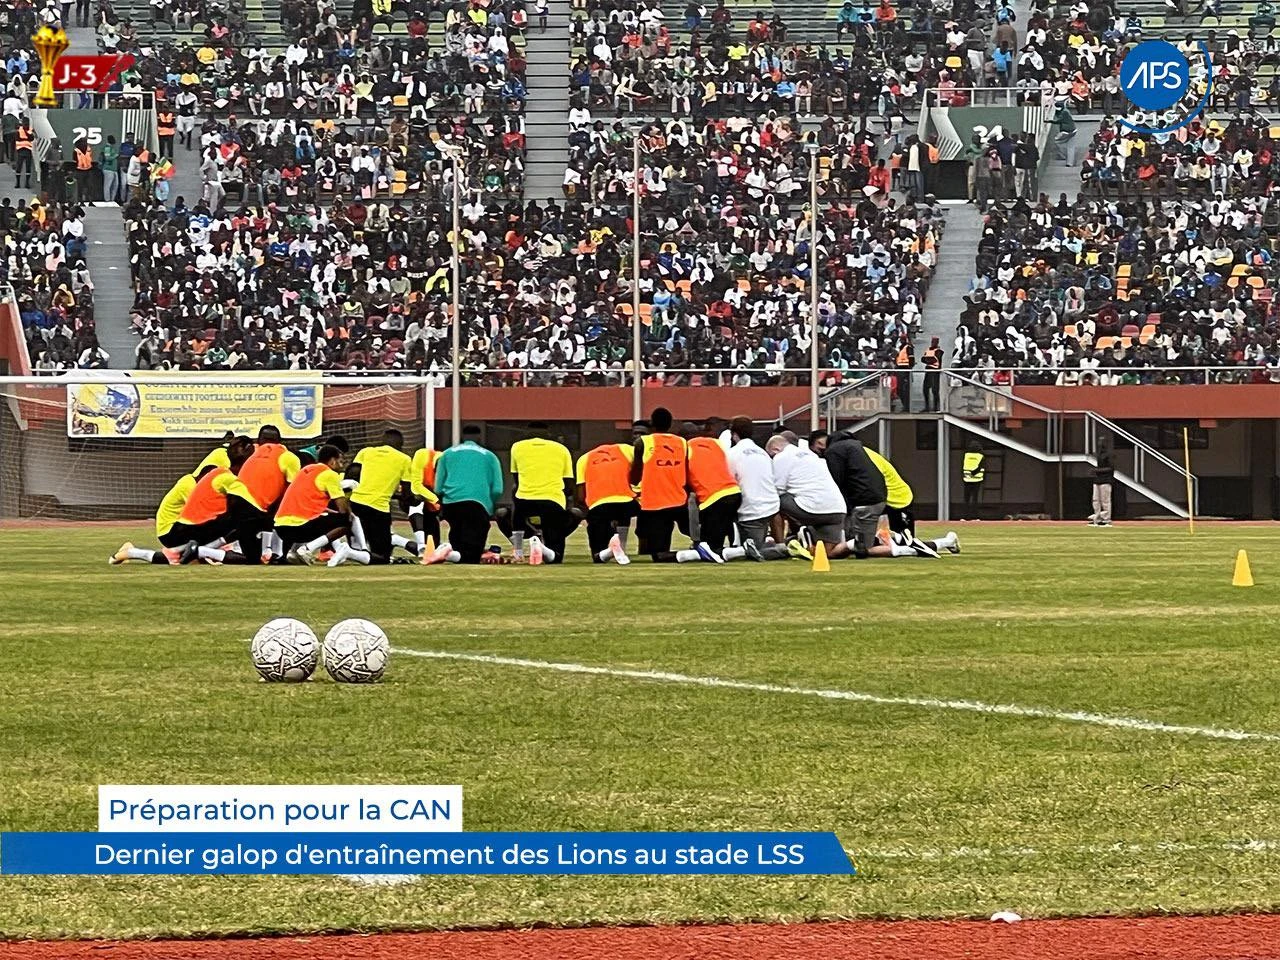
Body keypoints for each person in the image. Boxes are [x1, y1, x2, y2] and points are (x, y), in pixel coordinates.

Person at [628, 407, 719, 563]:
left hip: (654, 504)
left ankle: (695, 554)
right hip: (679, 500)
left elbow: (636, 476)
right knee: (691, 531)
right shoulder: (682, 443)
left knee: (658, 552)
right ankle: (707, 547)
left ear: (652, 424)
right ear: (670, 425)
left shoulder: (643, 442)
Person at [334, 429, 416, 566]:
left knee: (361, 544)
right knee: (382, 555)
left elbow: (351, 475)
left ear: (382, 441)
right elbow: (407, 495)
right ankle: (348, 552)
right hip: (378, 509)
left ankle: (350, 551)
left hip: (356, 504)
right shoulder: (404, 460)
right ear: (401, 445)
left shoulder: (365, 452)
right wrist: (416, 501)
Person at [223, 425, 302, 563]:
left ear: (259, 441)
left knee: (251, 555)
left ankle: (207, 551)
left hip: (233, 498)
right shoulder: (288, 457)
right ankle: (277, 554)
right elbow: (292, 491)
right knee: (281, 517)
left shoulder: (253, 452)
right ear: (280, 441)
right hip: (254, 506)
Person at [865, 447, 960, 557]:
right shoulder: (860, 453)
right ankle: (947, 541)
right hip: (883, 499)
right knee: (891, 544)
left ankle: (947, 542)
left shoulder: (860, 456)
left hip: (897, 500)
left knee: (907, 546)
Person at [429, 425, 504, 564]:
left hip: (451, 504)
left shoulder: (447, 454)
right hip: (478, 503)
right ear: (479, 437)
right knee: (473, 550)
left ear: (463, 437)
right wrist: (490, 504)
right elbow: (497, 489)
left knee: (458, 532)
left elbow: (438, 487)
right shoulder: (490, 456)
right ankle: (448, 554)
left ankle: (451, 552)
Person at [504, 422, 573, 563]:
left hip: (524, 501)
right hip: (553, 501)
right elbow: (568, 484)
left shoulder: (517, 448)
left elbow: (516, 479)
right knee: (556, 556)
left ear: (527, 432)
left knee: (517, 501)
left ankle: (518, 552)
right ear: (548, 434)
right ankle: (542, 546)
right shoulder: (562, 449)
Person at [723, 416, 790, 561]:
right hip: (772, 507)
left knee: (753, 551)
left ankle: (784, 550)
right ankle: (780, 546)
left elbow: (728, 483)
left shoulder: (731, 454)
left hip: (751, 511)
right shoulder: (762, 453)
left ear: (734, 434)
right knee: (756, 547)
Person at [275, 445, 352, 564]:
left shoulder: (306, 470)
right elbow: (343, 510)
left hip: (280, 528)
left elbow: (306, 502)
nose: (342, 466)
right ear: (332, 461)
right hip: (298, 528)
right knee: (345, 521)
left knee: (316, 518)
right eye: (340, 462)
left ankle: (292, 553)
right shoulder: (330, 474)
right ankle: (307, 549)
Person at [683, 421, 742, 558]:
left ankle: (738, 550)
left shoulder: (685, 448)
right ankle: (736, 545)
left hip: (713, 499)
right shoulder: (715, 444)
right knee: (717, 536)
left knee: (710, 548)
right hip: (733, 492)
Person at [575, 438, 636, 565]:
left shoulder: (584, 459)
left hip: (598, 505)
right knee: (631, 513)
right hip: (627, 502)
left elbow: (581, 496)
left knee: (597, 553)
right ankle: (621, 547)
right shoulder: (627, 449)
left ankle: (606, 552)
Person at [408, 445, 443, 553]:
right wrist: (435, 500)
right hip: (410, 495)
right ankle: (421, 544)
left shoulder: (449, 463)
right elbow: (416, 486)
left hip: (432, 500)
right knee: (416, 499)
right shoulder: (422, 455)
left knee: (433, 546)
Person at [1091, 447, 1114, 526]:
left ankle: (1106, 519)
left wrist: (1097, 470)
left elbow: (1111, 468)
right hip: (1098, 480)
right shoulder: (1099, 457)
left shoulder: (1109, 456)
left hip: (1106, 480)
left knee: (1105, 501)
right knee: (1096, 500)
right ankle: (1097, 518)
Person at [962, 440, 985, 520]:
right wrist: (974, 473)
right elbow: (981, 467)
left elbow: (964, 466)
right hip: (977, 480)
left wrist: (969, 474)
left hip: (967, 479)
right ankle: (975, 516)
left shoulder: (966, 455)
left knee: (966, 499)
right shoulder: (980, 456)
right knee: (975, 499)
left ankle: (965, 516)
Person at [921, 336, 942, 412]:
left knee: (935, 390)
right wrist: (929, 360)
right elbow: (922, 359)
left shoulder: (939, 351)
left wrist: (928, 359)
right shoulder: (928, 350)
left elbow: (934, 360)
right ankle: (927, 407)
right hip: (928, 371)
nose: (933, 343)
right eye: (932, 341)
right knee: (925, 389)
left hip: (935, 372)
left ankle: (936, 407)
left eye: (935, 342)